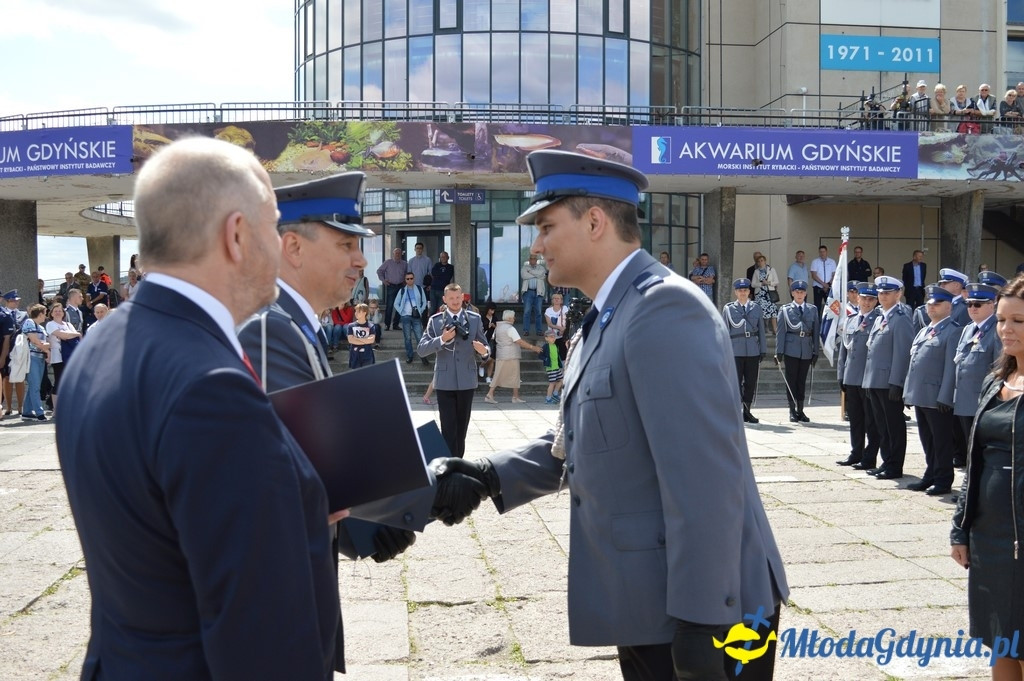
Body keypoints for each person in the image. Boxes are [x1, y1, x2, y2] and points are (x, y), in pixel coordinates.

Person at [428, 150, 787, 681]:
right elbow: (585, 434)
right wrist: (491, 475)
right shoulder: (609, 315)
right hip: (649, 603)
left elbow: (707, 478)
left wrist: (705, 621)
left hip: (703, 614)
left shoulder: (664, 309)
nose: (537, 246)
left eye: (547, 226)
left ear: (594, 222)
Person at [55, 137, 341, 680]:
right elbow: (262, 640)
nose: (279, 248)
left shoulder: (99, 344)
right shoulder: (212, 389)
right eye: (271, 226)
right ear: (236, 235)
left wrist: (291, 505)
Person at [236, 173, 422, 599]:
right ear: (293, 247)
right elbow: (293, 477)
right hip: (281, 592)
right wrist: (385, 510)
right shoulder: (270, 329)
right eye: (346, 245)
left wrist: (367, 529)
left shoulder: (295, 324)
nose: (360, 260)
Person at [950, 274, 1024, 680]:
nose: (1005, 330)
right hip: (989, 539)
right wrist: (960, 530)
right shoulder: (995, 382)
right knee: (1000, 644)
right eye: (1000, 320)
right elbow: (973, 463)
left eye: (1018, 321)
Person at [417, 283, 491, 458]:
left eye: (458, 297)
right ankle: (450, 462)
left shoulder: (474, 319)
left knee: (462, 426)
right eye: (451, 298)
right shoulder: (435, 321)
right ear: (444, 299)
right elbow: (421, 349)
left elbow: (485, 347)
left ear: (462, 298)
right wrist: (441, 339)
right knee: (448, 426)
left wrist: (485, 352)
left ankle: (458, 460)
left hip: (466, 379)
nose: (455, 301)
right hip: (444, 381)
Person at [903, 286, 960, 496]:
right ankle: (930, 474)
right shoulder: (924, 330)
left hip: (938, 398)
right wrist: (909, 391)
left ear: (949, 306)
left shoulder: (954, 331)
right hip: (921, 395)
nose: (931, 307)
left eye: (936, 304)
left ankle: (944, 479)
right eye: (929, 303)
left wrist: (945, 395)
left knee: (942, 441)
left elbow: (950, 367)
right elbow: (914, 362)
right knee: (927, 439)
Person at [862, 275, 915, 480]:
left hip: (889, 382)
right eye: (881, 293)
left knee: (893, 426)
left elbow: (902, 353)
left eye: (887, 293)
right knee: (881, 426)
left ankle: (895, 465)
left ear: (898, 294)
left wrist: (897, 382)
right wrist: (868, 380)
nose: (882, 296)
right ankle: (886, 461)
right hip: (875, 380)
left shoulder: (900, 319)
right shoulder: (880, 317)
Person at [953, 278, 1005, 469]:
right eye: (969, 304)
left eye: (978, 304)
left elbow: (999, 368)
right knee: (968, 450)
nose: (972, 308)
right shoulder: (968, 329)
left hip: (981, 402)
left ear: (992, 305)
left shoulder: (996, 330)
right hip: (963, 400)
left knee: (981, 452)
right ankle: (969, 491)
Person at [837, 283, 882, 469]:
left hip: (867, 378)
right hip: (852, 377)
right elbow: (844, 350)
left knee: (871, 421)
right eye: (863, 298)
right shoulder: (851, 320)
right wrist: (841, 374)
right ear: (857, 298)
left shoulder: (878, 320)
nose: (866, 302)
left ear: (876, 301)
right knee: (855, 419)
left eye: (871, 299)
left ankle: (869, 457)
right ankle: (856, 453)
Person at [776, 281, 819, 423]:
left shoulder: (812, 310)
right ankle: (792, 410)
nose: (800, 294)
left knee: (801, 381)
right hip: (791, 349)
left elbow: (815, 332)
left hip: (806, 349)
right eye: (797, 292)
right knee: (791, 380)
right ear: (792, 293)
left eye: (802, 292)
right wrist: (779, 352)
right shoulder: (785, 310)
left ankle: (801, 410)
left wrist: (815, 351)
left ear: (806, 293)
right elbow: (781, 332)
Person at [724, 278, 766, 424]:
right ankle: (735, 412)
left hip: (753, 350)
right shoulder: (728, 309)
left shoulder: (756, 308)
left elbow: (761, 329)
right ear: (736, 292)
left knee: (750, 382)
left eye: (745, 290)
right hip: (735, 350)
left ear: (749, 292)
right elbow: (724, 331)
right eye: (740, 290)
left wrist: (763, 349)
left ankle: (747, 412)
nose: (743, 293)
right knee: (735, 382)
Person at [484, 309, 541, 404]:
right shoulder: (510, 328)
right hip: (511, 354)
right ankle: (491, 395)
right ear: (510, 318)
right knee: (508, 375)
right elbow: (519, 341)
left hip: (502, 353)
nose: (515, 318)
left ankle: (514, 396)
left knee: (507, 375)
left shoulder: (499, 327)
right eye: (513, 317)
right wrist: (533, 347)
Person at [44, 302, 81, 416]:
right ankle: (55, 408)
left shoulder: (68, 324)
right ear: (51, 313)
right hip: (58, 356)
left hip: (70, 356)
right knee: (59, 381)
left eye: (60, 310)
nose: (58, 312)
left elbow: (79, 334)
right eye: (55, 310)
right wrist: (71, 334)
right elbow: (65, 336)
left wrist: (70, 334)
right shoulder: (50, 324)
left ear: (63, 313)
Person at [20, 304, 49, 422]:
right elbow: (34, 340)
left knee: (33, 385)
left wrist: (45, 348)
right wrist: (47, 347)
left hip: (40, 358)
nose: (46, 315)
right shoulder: (29, 322)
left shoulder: (41, 328)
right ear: (40, 313)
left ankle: (27, 411)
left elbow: (41, 342)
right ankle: (39, 412)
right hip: (32, 358)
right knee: (36, 386)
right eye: (45, 313)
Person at [394, 272, 430, 365]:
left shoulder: (419, 289)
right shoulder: (402, 290)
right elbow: (396, 303)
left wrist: (421, 311)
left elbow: (424, 301)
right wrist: (401, 312)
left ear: (414, 279)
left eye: (411, 278)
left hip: (416, 317)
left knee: (420, 337)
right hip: (405, 317)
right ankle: (409, 356)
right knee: (407, 338)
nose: (409, 280)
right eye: (407, 279)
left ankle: (423, 356)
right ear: (405, 280)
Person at [1, 290, 25, 417]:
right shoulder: (2, 313)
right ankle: (9, 407)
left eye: (17, 300)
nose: (16, 302)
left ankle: (20, 406)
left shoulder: (24, 315)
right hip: (6, 349)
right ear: (7, 301)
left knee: (20, 377)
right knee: (6, 378)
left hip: (19, 350)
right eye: (13, 300)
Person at [377, 247, 408, 331]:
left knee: (399, 306)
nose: (397, 254)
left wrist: (406, 281)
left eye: (399, 253)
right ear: (393, 254)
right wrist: (383, 280)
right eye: (396, 253)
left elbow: (406, 273)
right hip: (391, 286)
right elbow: (379, 271)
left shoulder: (404, 263)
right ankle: (387, 325)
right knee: (390, 306)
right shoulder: (388, 262)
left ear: (401, 254)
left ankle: (396, 324)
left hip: (401, 286)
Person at [749, 254, 779, 334]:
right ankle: (763, 329)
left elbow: (776, 281)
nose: (760, 262)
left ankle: (775, 330)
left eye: (762, 260)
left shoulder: (771, 270)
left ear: (765, 261)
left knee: (773, 312)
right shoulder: (756, 272)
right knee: (762, 313)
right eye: (758, 261)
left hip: (770, 294)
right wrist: (761, 284)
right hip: (760, 295)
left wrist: (769, 283)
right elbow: (753, 284)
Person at [520, 254, 548, 336]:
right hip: (528, 292)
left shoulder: (541, 268)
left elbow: (542, 275)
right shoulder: (525, 268)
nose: (532, 260)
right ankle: (526, 330)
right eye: (531, 259)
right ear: (529, 260)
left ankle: (539, 331)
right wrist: (536, 275)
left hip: (538, 292)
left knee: (538, 312)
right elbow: (524, 275)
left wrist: (531, 272)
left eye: (534, 259)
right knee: (526, 312)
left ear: (536, 260)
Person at [537, 328, 564, 404]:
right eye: (551, 337)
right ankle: (548, 399)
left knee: (561, 381)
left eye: (554, 337)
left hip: (556, 367)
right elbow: (540, 355)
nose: (553, 338)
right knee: (552, 383)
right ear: (546, 338)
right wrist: (545, 359)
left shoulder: (555, 346)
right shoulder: (545, 346)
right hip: (551, 368)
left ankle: (555, 394)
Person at [346, 303, 377, 369]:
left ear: (364, 313)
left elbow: (371, 340)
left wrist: (357, 338)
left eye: (358, 311)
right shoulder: (351, 326)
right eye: (355, 311)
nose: (356, 313)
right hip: (355, 354)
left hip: (367, 354)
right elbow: (351, 340)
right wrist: (365, 340)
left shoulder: (371, 326)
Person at [809, 245, 836, 312]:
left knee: (830, 306)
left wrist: (828, 284)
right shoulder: (815, 262)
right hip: (818, 287)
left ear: (826, 252)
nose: (822, 253)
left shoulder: (832, 262)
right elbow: (814, 275)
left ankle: (829, 322)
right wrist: (823, 284)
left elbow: (834, 275)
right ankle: (817, 321)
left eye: (823, 251)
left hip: (829, 287)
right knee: (817, 306)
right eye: (820, 252)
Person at [544, 291, 568, 359]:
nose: (556, 299)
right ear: (552, 300)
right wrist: (559, 328)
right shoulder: (548, 310)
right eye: (554, 298)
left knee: (563, 355)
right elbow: (549, 323)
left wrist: (563, 330)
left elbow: (568, 321)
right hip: (552, 336)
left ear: (561, 300)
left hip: (562, 335)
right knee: (553, 355)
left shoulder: (565, 308)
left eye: (558, 298)